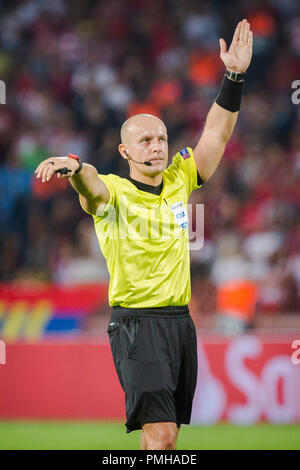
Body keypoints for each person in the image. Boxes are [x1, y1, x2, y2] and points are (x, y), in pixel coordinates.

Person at [35, 20, 253, 450]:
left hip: (179, 322)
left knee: (163, 436)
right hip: (137, 323)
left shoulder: (179, 177)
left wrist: (233, 78)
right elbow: (92, 181)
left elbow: (216, 133)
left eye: (162, 139)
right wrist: (75, 166)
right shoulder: (112, 192)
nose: (156, 147)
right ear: (125, 151)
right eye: (146, 141)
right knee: (163, 437)